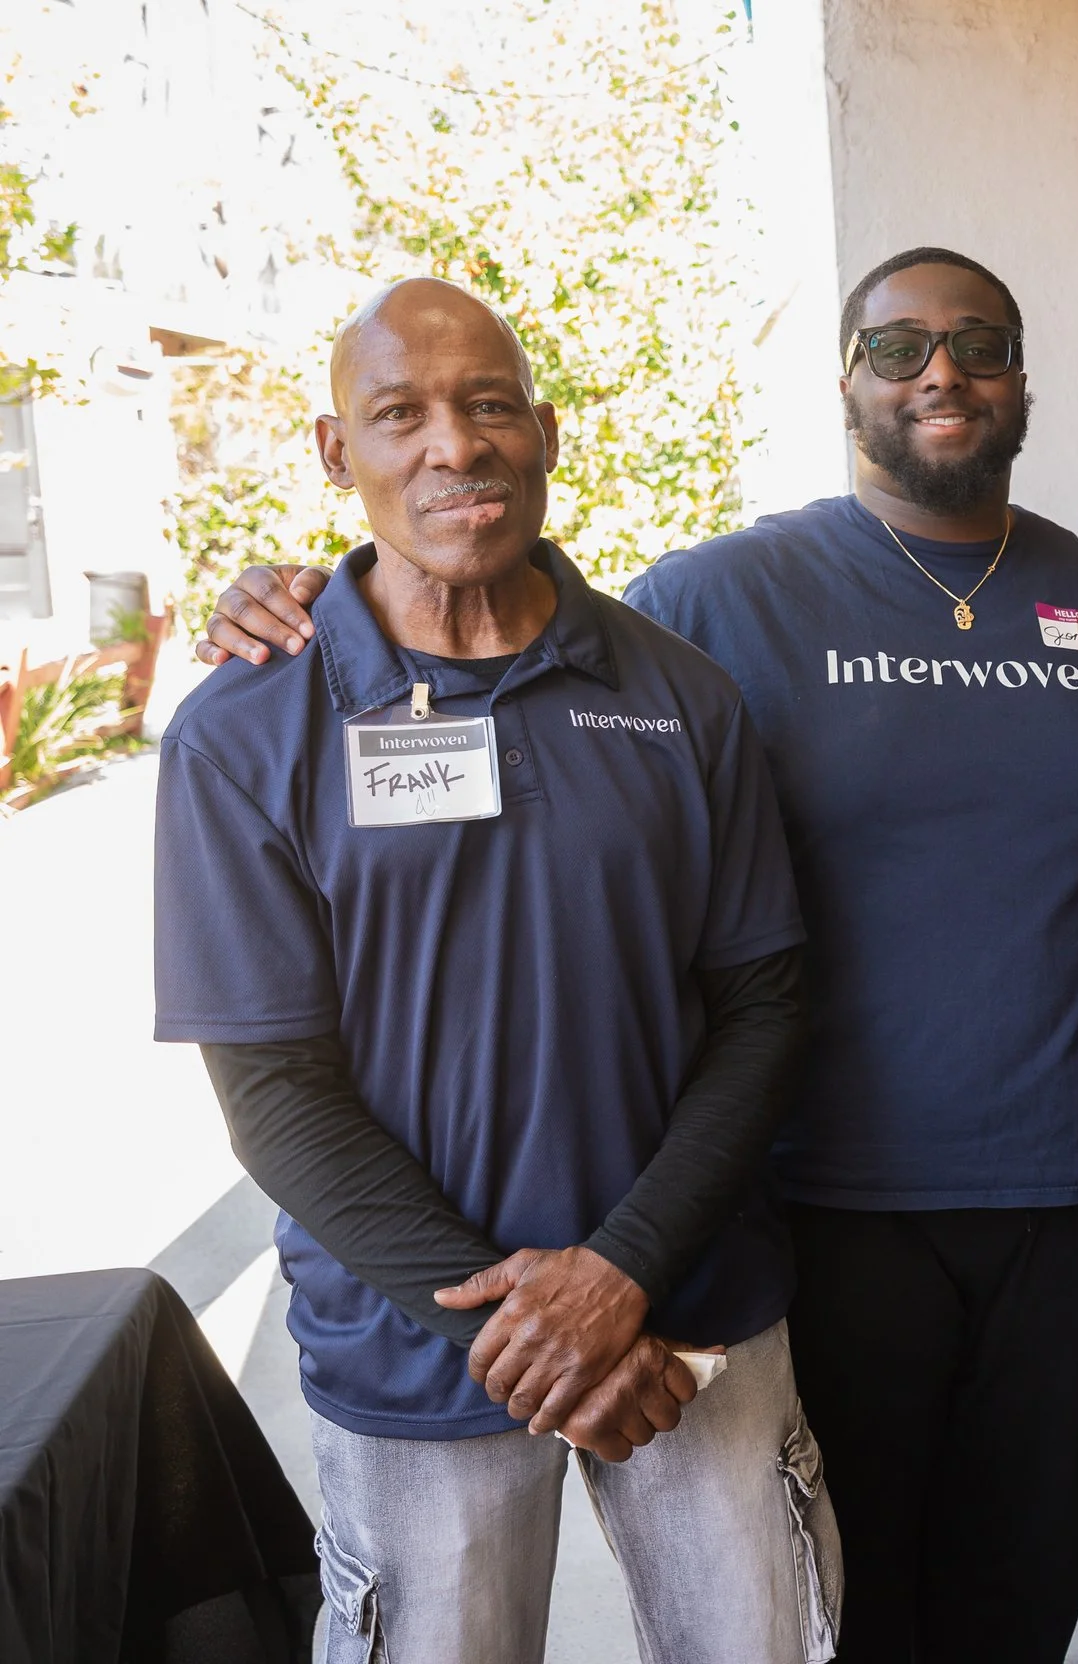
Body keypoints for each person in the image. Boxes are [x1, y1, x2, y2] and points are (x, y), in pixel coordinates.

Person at [193, 248, 1078, 1663]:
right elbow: (485, 618)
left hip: (1066, 1210)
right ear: (846, 383)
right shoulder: (714, 604)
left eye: (980, 344)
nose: (942, 372)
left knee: (1010, 1607)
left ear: (1021, 382)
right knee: (845, 1617)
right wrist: (298, 599)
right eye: (900, 347)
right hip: (823, 1213)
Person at [153, 277, 840, 1664]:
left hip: (691, 1323)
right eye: (398, 414)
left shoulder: (679, 696)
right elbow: (276, 1092)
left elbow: (763, 1010)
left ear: (546, 432)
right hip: (412, 1353)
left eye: (486, 406)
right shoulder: (243, 731)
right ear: (336, 455)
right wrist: (522, 1328)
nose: (451, 447)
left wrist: (622, 1277)